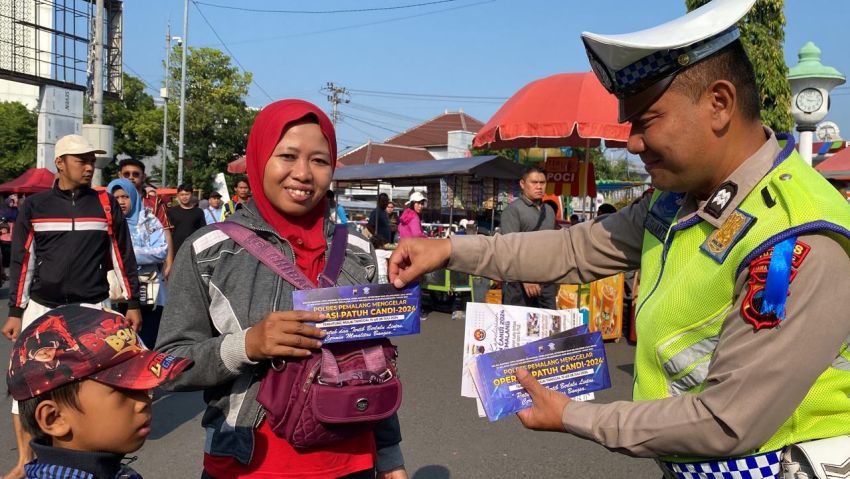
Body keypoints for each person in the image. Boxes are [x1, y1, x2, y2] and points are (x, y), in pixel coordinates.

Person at [388, 1, 850, 476]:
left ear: (719, 104)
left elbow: (726, 419)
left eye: (646, 122)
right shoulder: (677, 202)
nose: (631, 144)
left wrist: (573, 415)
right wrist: (449, 249)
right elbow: (576, 249)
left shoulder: (795, 239)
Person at [156, 99, 406, 479]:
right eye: (287, 156)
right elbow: (169, 366)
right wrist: (249, 345)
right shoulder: (208, 251)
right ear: (259, 158)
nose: (303, 173)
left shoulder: (358, 250)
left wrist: (390, 457)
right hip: (245, 464)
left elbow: (375, 362)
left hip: (353, 462)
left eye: (320, 161)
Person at [1, 134, 142, 479]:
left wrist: (132, 304)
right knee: (25, 383)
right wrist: (16, 312)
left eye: (92, 159)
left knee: (104, 383)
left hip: (94, 305)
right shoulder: (35, 206)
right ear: (60, 163)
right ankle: (24, 460)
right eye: (81, 160)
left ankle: (102, 455)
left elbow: (123, 256)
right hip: (41, 307)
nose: (89, 166)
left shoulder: (106, 204)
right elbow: (23, 261)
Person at [6, 304, 191, 479]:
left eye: (145, 388)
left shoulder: (111, 469)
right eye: (124, 389)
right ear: (54, 418)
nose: (145, 401)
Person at [108, 178, 168, 347]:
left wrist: (126, 256)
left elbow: (161, 250)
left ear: (133, 197)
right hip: (117, 294)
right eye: (116, 198)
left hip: (150, 294)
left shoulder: (149, 221)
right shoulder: (107, 224)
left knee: (148, 341)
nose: (120, 202)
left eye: (125, 197)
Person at [498, 165, 558, 310]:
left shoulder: (549, 211)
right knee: (520, 327)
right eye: (534, 182)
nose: (539, 187)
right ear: (522, 184)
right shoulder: (513, 210)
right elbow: (509, 248)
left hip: (547, 280)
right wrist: (525, 278)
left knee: (548, 326)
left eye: (542, 183)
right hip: (520, 283)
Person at [119, 158, 175, 278]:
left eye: (135, 174)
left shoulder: (154, 202)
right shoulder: (110, 201)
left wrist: (169, 264)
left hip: (148, 268)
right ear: (119, 175)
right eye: (126, 174)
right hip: (119, 266)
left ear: (143, 176)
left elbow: (165, 231)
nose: (131, 177)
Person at [166, 184, 206, 255]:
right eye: (182, 195)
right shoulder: (171, 212)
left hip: (193, 249)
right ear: (178, 195)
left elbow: (202, 231)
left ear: (192, 194)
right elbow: (167, 232)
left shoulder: (198, 212)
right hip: (175, 249)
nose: (184, 197)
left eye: (187, 194)